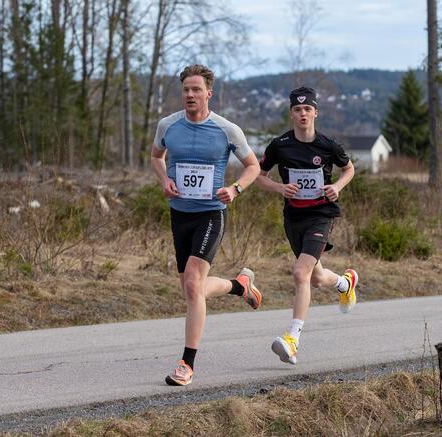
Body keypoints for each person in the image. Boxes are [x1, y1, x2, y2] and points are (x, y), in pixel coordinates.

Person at [151, 64, 262, 386]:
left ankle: (187, 363)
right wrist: (164, 180)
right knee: (191, 287)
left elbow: (253, 166)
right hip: (179, 212)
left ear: (208, 94)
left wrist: (235, 189)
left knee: (193, 286)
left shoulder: (227, 130)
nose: (190, 94)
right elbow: (156, 156)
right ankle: (239, 286)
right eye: (186, 89)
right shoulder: (168, 125)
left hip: (211, 213)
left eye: (196, 89)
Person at [256, 86, 358, 365]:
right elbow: (258, 176)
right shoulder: (280, 145)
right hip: (294, 217)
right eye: (297, 110)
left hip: (320, 215)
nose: (303, 113)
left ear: (315, 113)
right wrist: (279, 187)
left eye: (307, 109)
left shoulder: (328, 145)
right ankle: (345, 282)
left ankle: (292, 340)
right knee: (314, 278)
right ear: (292, 114)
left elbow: (349, 169)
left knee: (301, 273)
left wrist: (337, 186)